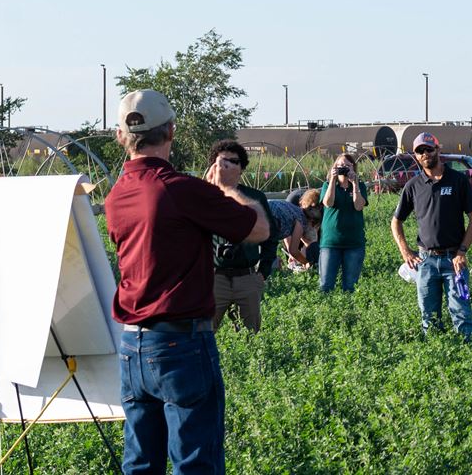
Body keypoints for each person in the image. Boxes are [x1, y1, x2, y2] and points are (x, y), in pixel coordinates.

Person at [104, 90, 269, 475]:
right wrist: (226, 189)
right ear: (172, 132)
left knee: (141, 462)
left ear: (121, 137)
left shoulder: (117, 194)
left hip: (131, 343)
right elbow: (259, 228)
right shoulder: (181, 189)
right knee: (196, 462)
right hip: (180, 343)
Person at [389, 133, 472, 338]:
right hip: (426, 261)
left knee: (462, 313)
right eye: (420, 151)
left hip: (454, 260)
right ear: (415, 156)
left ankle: (471, 358)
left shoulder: (458, 180)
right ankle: (435, 355)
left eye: (429, 149)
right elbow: (396, 222)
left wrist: (462, 252)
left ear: (438, 150)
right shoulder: (413, 186)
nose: (425, 154)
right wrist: (405, 251)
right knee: (429, 317)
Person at [206, 141, 275, 333]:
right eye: (222, 161)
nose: (227, 165)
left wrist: (263, 271)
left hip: (246, 275)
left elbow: (271, 236)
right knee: (205, 333)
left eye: (233, 161)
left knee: (251, 334)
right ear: (213, 165)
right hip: (214, 276)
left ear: (242, 168)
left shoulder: (254, 197)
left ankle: (253, 364)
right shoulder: (204, 196)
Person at [318, 153, 368, 294]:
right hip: (330, 243)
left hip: (354, 243)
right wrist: (333, 180)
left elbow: (358, 206)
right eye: (340, 166)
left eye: (346, 166)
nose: (343, 168)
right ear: (334, 168)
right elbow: (328, 203)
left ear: (353, 167)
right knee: (326, 286)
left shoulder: (360, 186)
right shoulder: (327, 185)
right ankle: (326, 313)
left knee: (350, 286)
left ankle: (350, 314)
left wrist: (355, 184)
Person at [284, 186, 323, 271]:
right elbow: (287, 234)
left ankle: (313, 265)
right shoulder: (293, 206)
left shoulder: (320, 209)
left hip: (311, 215)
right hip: (293, 216)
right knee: (294, 253)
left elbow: (312, 235)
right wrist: (292, 254)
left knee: (312, 247)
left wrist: (306, 249)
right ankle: (295, 265)